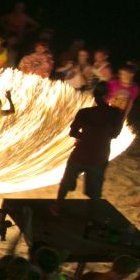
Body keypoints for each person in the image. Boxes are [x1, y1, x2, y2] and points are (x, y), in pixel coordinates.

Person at [52, 81, 124, 212]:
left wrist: (84, 137)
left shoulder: (84, 113)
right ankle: (91, 218)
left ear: (95, 97)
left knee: (66, 182)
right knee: (95, 191)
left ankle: (57, 206)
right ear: (108, 97)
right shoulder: (117, 114)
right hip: (99, 157)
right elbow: (115, 135)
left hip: (80, 154)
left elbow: (72, 133)